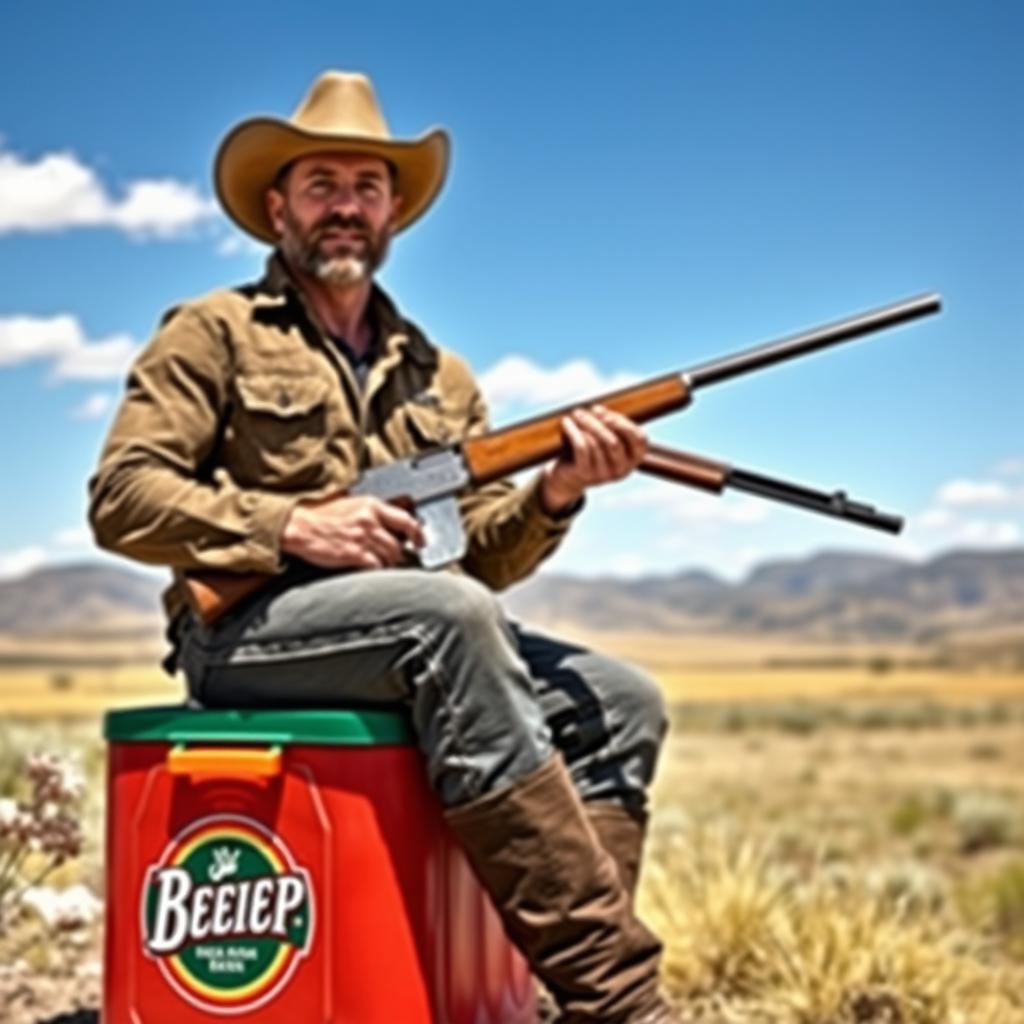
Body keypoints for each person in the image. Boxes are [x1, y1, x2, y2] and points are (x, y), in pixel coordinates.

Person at [89, 71, 678, 1023]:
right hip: (244, 637)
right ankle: (618, 1002)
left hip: (405, 630)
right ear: (276, 205)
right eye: (321, 185)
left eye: (366, 187)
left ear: (394, 208)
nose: (345, 208)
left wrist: (558, 491)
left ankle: (545, 995)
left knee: (620, 699)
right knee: (448, 620)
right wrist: (289, 526)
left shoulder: (437, 373)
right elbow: (122, 498)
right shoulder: (212, 333)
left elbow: (476, 560)